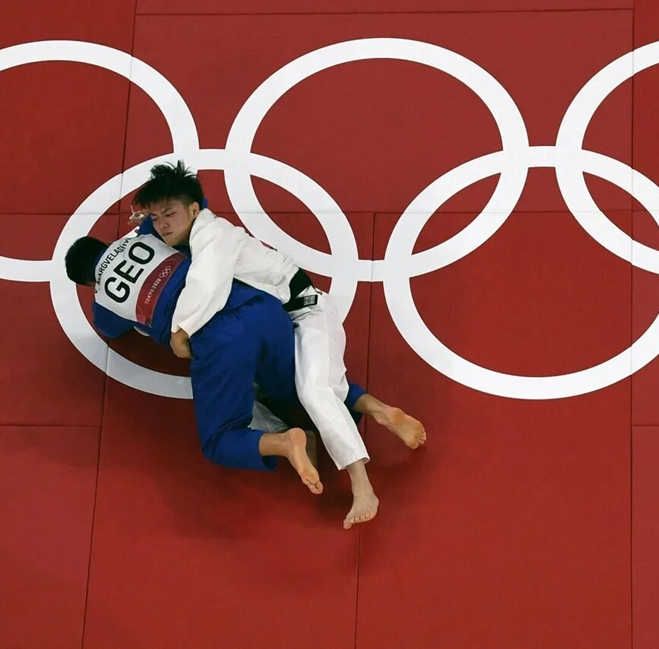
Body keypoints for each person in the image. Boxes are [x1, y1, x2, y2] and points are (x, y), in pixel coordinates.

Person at [129, 161, 426, 529]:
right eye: (155, 218)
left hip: (307, 314)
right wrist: (144, 219)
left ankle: (361, 484)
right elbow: (155, 228)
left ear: (194, 209)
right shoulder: (186, 230)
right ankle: (379, 411)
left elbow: (207, 286)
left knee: (314, 391)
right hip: (274, 325)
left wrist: (180, 331)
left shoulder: (215, 236)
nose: (162, 226)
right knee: (253, 394)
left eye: (169, 214)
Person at [65, 230, 325, 496]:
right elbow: (188, 208)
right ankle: (348, 413)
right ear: (107, 242)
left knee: (219, 440)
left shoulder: (104, 300)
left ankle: (284, 441)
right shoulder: (145, 233)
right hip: (261, 306)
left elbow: (110, 329)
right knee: (296, 388)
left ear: (88, 283)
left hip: (219, 342)